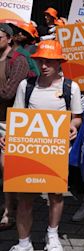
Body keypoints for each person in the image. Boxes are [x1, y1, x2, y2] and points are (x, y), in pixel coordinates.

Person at [1, 40, 82, 251]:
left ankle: (52, 235)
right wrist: (9, 137)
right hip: (29, 150)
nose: (43, 65)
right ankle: (23, 243)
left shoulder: (70, 87)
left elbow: (77, 118)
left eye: (48, 61)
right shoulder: (26, 86)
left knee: (55, 195)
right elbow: (18, 118)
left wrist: (73, 127)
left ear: (58, 63)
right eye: (40, 61)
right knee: (25, 197)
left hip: (57, 150)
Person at [0, 23, 30, 232]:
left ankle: (9, 212)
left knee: (6, 168)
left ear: (9, 39)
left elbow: (8, 93)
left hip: (8, 122)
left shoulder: (18, 62)